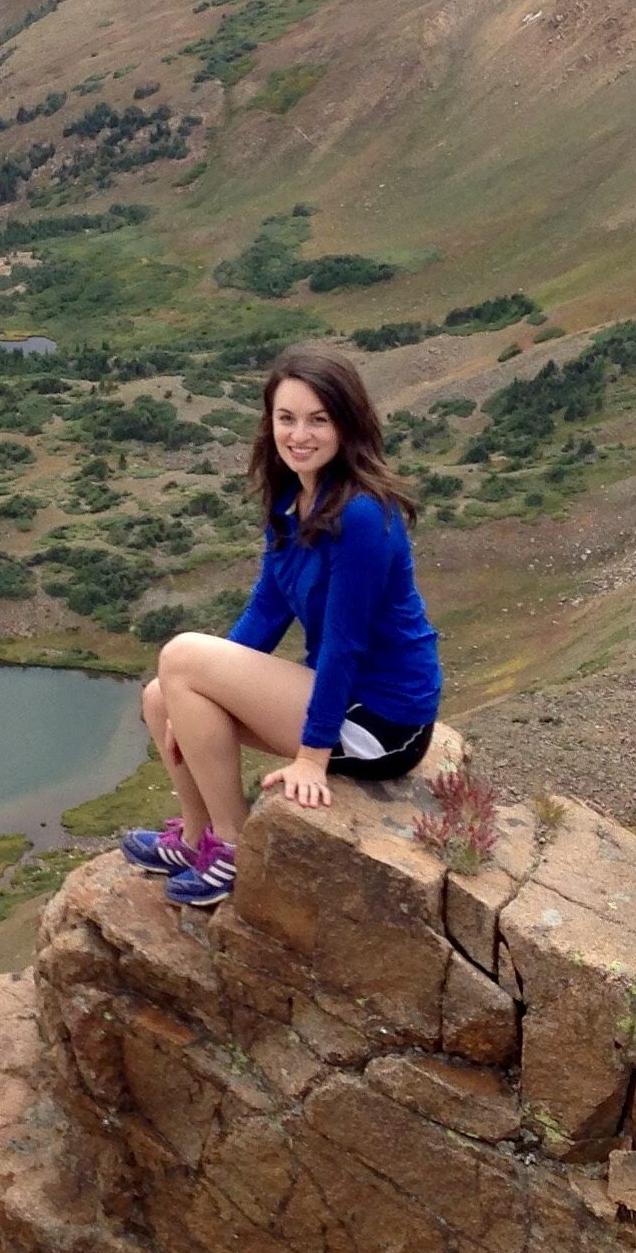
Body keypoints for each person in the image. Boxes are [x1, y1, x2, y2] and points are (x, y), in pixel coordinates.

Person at [121, 345, 443, 908]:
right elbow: (267, 610)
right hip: (343, 701)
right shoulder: (293, 501)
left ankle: (234, 848)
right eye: (286, 418)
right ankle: (196, 841)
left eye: (319, 419)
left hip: (384, 723)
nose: (300, 434)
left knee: (180, 655)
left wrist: (312, 758)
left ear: (348, 423)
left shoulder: (363, 514)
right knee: (158, 695)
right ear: (269, 423)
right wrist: (183, 692)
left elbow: (345, 644)